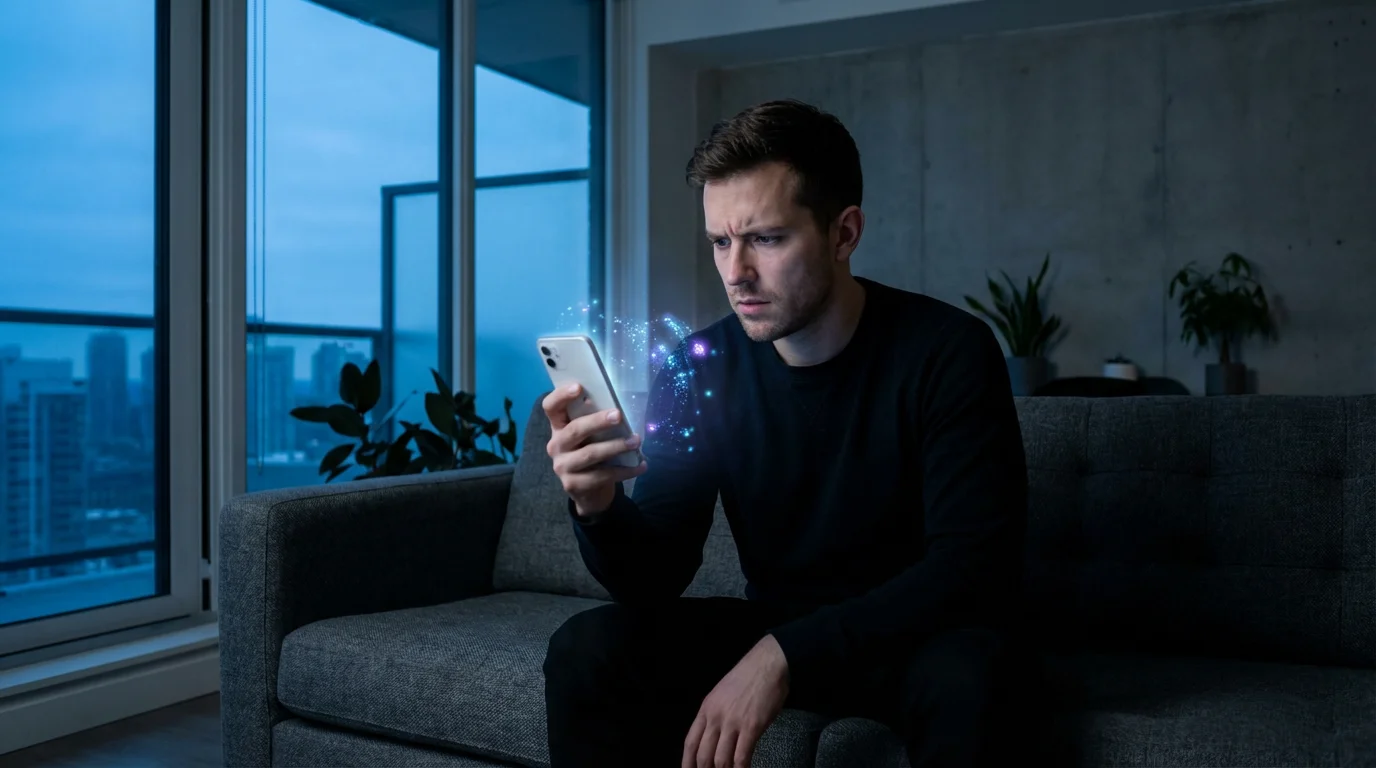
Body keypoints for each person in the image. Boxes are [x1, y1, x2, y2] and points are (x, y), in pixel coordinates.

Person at [540, 99, 1032, 768]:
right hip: (778, 624)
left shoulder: (948, 351)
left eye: (766, 239)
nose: (735, 271)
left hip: (920, 635)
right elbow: (656, 578)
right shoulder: (698, 365)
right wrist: (597, 508)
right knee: (586, 649)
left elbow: (970, 567)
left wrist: (783, 656)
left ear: (843, 233)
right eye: (721, 241)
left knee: (971, 680)